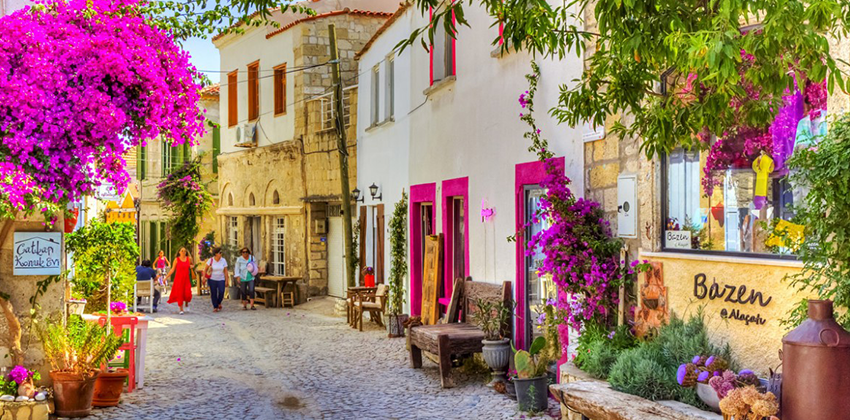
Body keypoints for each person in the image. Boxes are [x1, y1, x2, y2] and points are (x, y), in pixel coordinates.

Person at [166, 247, 196, 315]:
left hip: (186, 279)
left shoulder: (188, 259)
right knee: (180, 294)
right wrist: (166, 278)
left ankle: (186, 304)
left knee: (188, 293)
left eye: (184, 251)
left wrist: (191, 266)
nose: (183, 252)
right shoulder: (176, 260)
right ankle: (181, 309)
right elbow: (172, 270)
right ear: (179, 252)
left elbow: (192, 265)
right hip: (178, 280)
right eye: (182, 251)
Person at [205, 247, 230, 312]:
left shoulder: (223, 260)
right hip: (212, 279)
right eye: (220, 253)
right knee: (213, 293)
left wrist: (227, 280)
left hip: (221, 279)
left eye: (221, 252)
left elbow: (225, 271)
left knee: (222, 292)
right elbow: (205, 269)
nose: (221, 254)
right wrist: (204, 278)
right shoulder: (210, 260)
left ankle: (219, 302)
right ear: (216, 254)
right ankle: (215, 306)